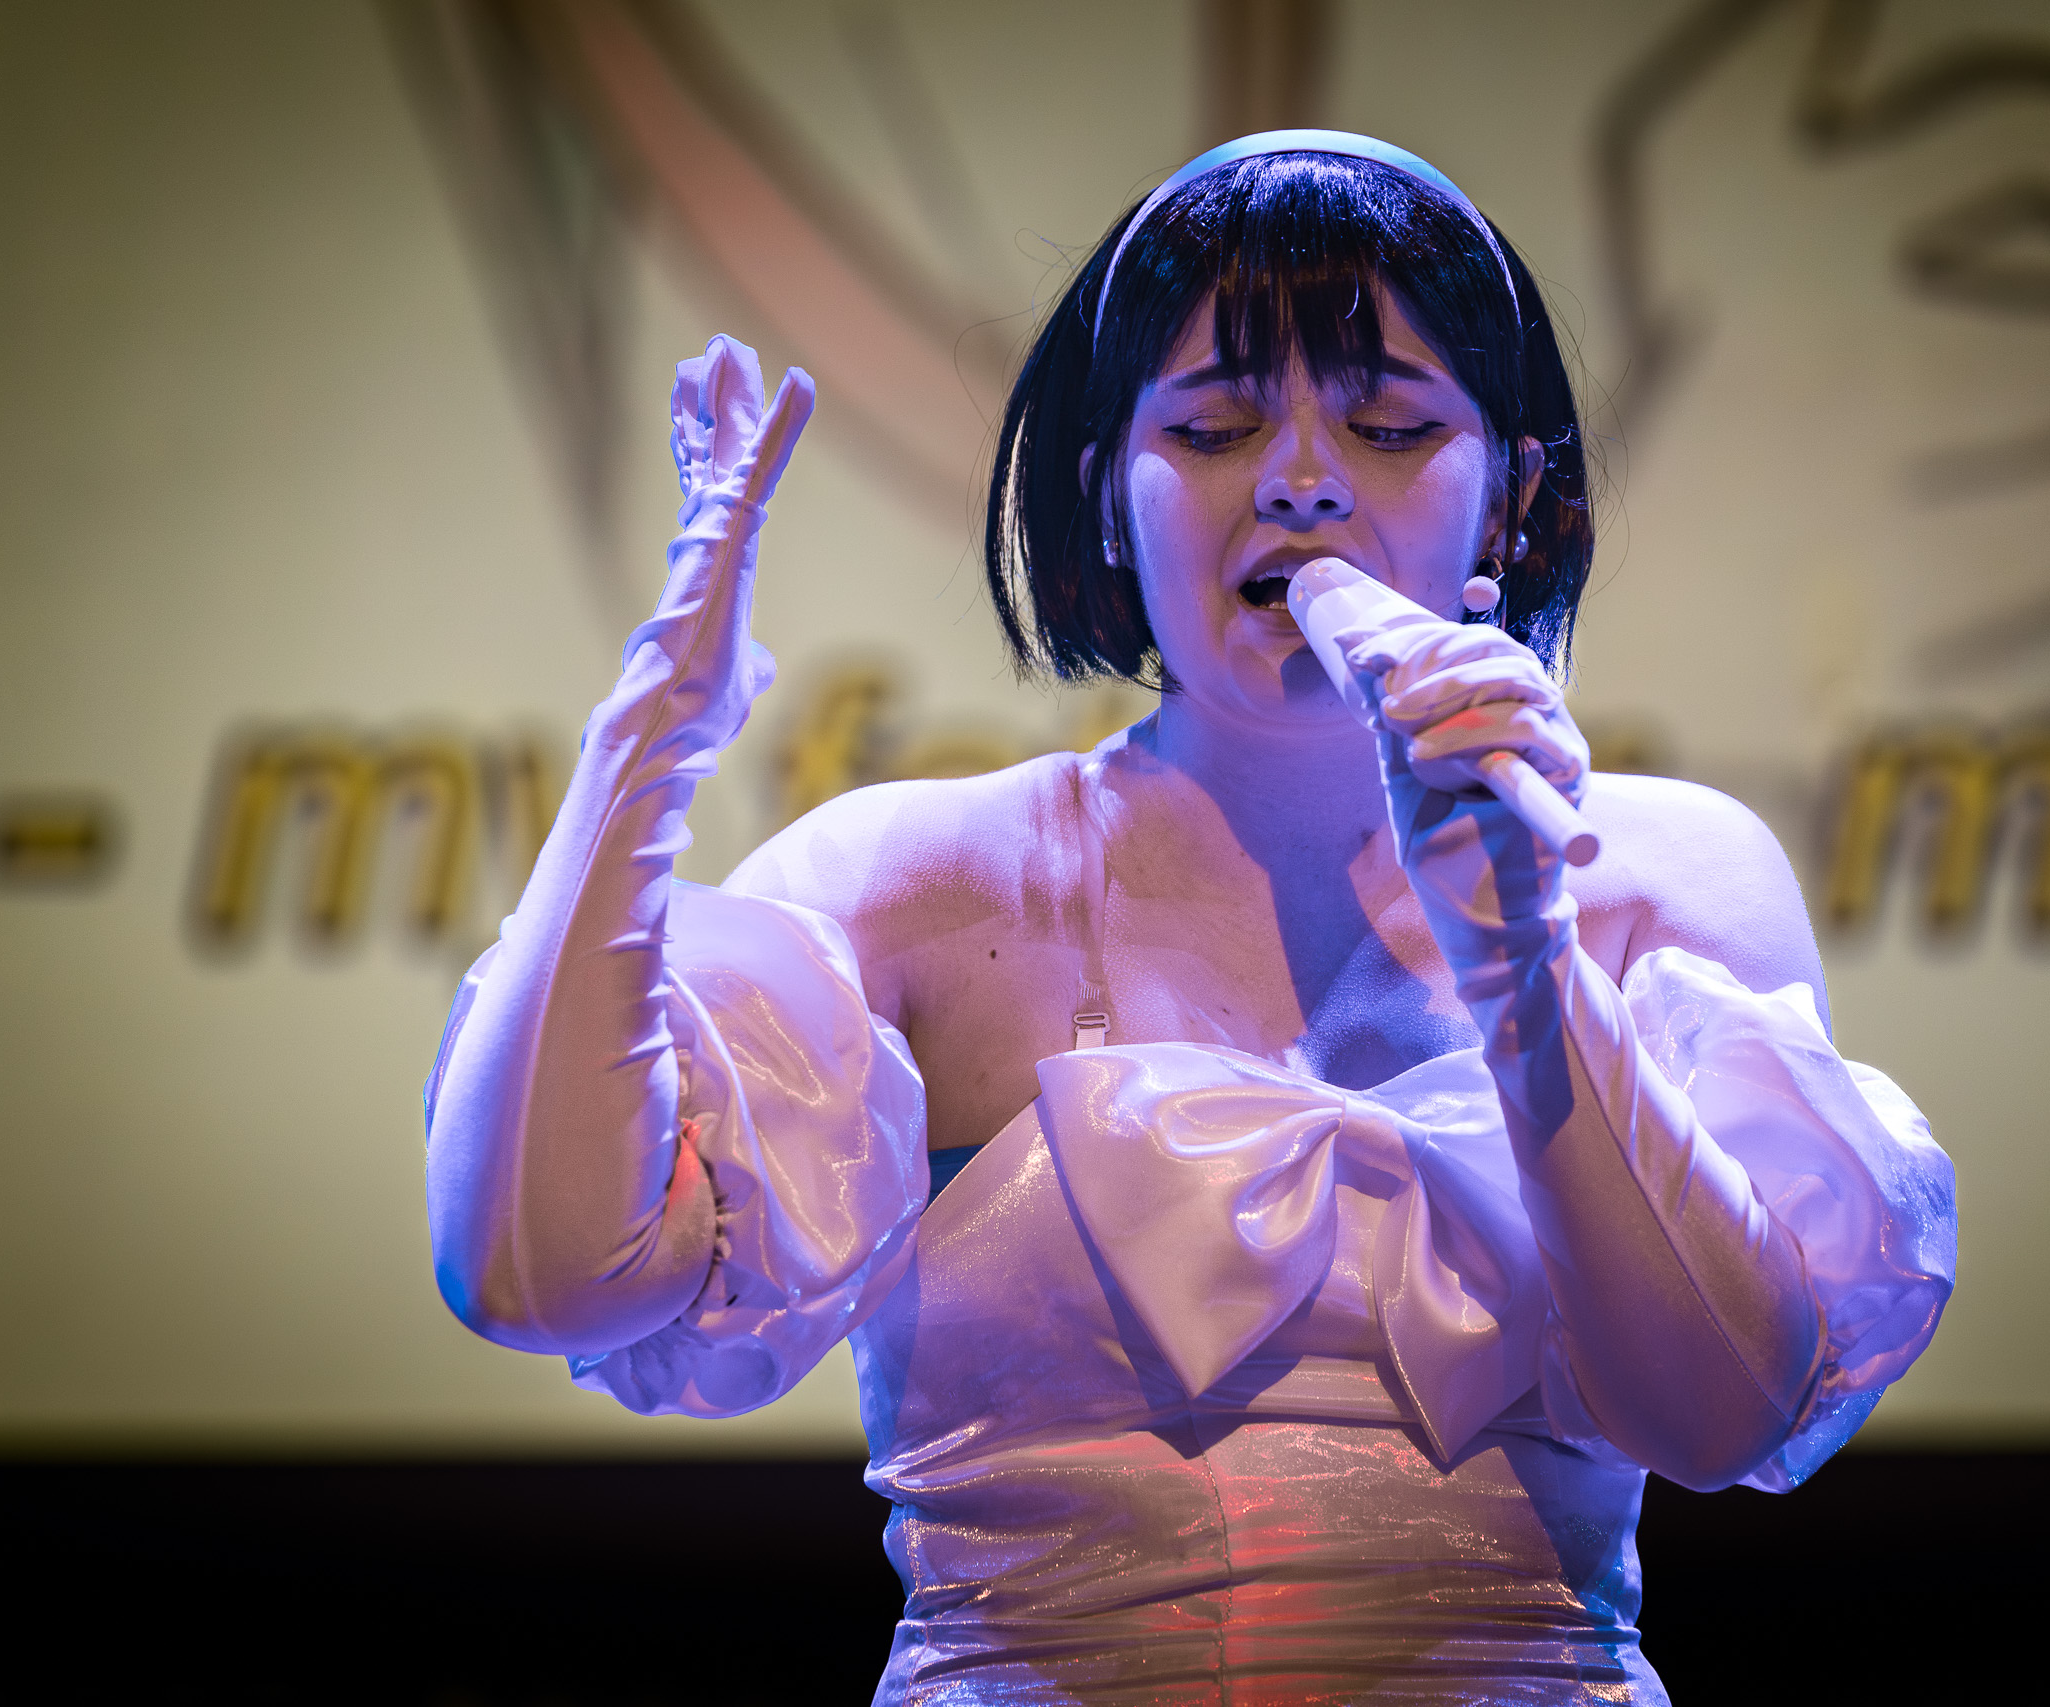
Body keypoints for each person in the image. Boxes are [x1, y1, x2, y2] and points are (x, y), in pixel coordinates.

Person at [424, 132, 1956, 1705]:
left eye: (1390, 424)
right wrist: (649, 735)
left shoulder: (1657, 871)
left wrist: (1526, 963)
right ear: (1108, 499)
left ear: (1510, 502)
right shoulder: (915, 880)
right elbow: (540, 1274)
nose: (1301, 479)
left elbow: (1726, 1418)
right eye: (1216, 426)